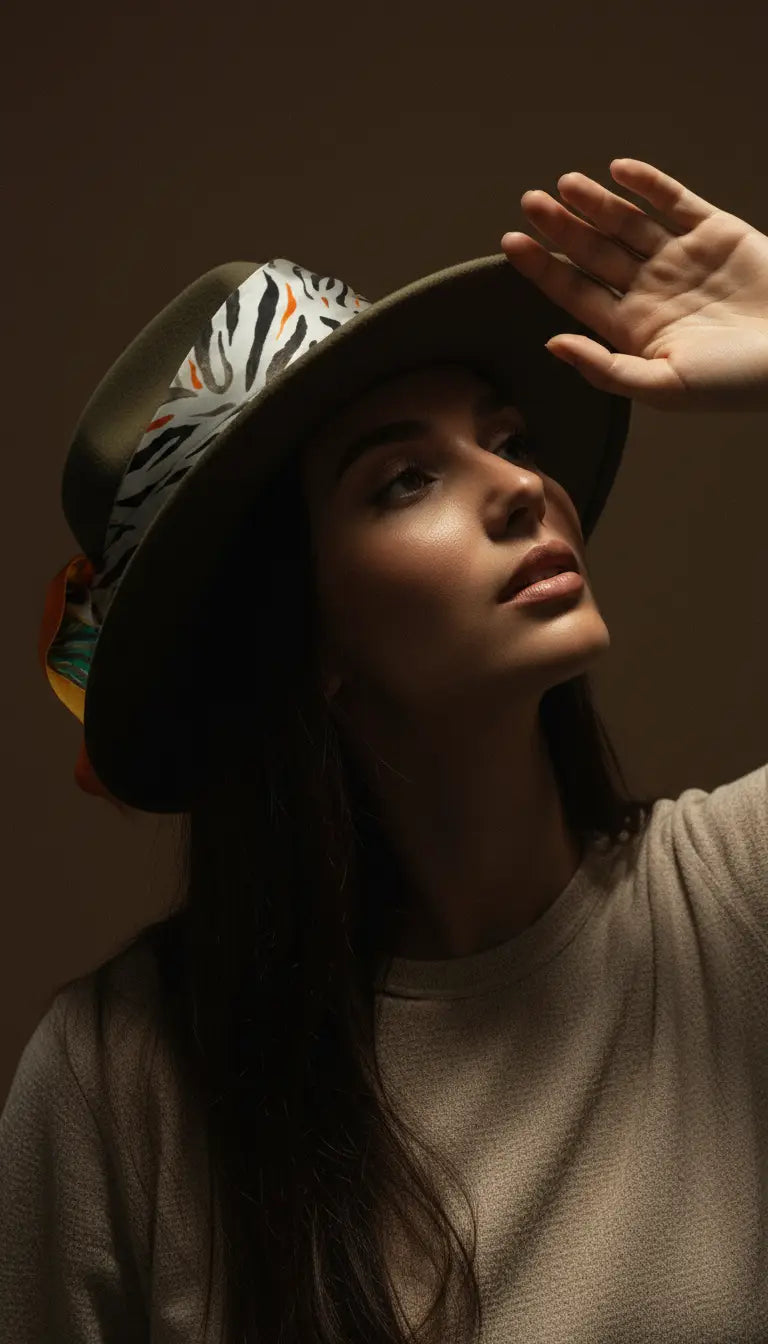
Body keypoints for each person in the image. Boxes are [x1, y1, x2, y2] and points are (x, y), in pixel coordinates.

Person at [3, 157, 768, 1343]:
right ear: (300, 638)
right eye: (406, 479)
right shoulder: (118, 1079)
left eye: (509, 437)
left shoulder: (735, 898)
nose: (520, 486)